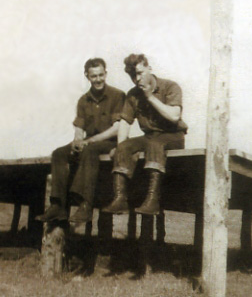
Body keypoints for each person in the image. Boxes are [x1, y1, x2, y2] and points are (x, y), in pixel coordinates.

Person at [36, 58, 125, 223]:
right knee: (59, 153)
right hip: (89, 142)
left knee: (89, 150)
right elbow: (79, 127)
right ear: (87, 76)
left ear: (106, 74)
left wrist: (88, 142)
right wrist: (77, 141)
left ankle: (85, 205)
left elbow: (117, 128)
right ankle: (58, 206)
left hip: (109, 143)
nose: (98, 80)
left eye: (100, 75)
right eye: (93, 76)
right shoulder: (83, 100)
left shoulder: (117, 96)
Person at [102, 53, 188, 215]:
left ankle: (152, 201)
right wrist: (120, 148)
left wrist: (150, 97)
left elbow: (174, 115)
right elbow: (126, 122)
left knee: (155, 144)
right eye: (133, 76)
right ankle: (120, 199)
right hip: (150, 136)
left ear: (149, 68)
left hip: (173, 135)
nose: (137, 79)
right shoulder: (133, 94)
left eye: (140, 73)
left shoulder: (170, 87)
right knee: (124, 146)